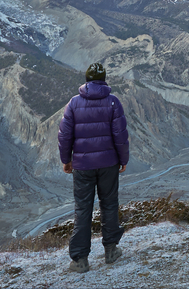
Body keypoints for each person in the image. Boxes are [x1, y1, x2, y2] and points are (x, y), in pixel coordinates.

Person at [58, 62, 130, 273]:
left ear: (87, 80)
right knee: (109, 205)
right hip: (109, 164)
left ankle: (80, 260)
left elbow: (64, 136)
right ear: (104, 79)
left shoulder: (74, 103)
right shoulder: (113, 102)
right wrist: (123, 159)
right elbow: (121, 136)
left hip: (82, 167)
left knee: (83, 210)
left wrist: (66, 160)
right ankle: (111, 251)